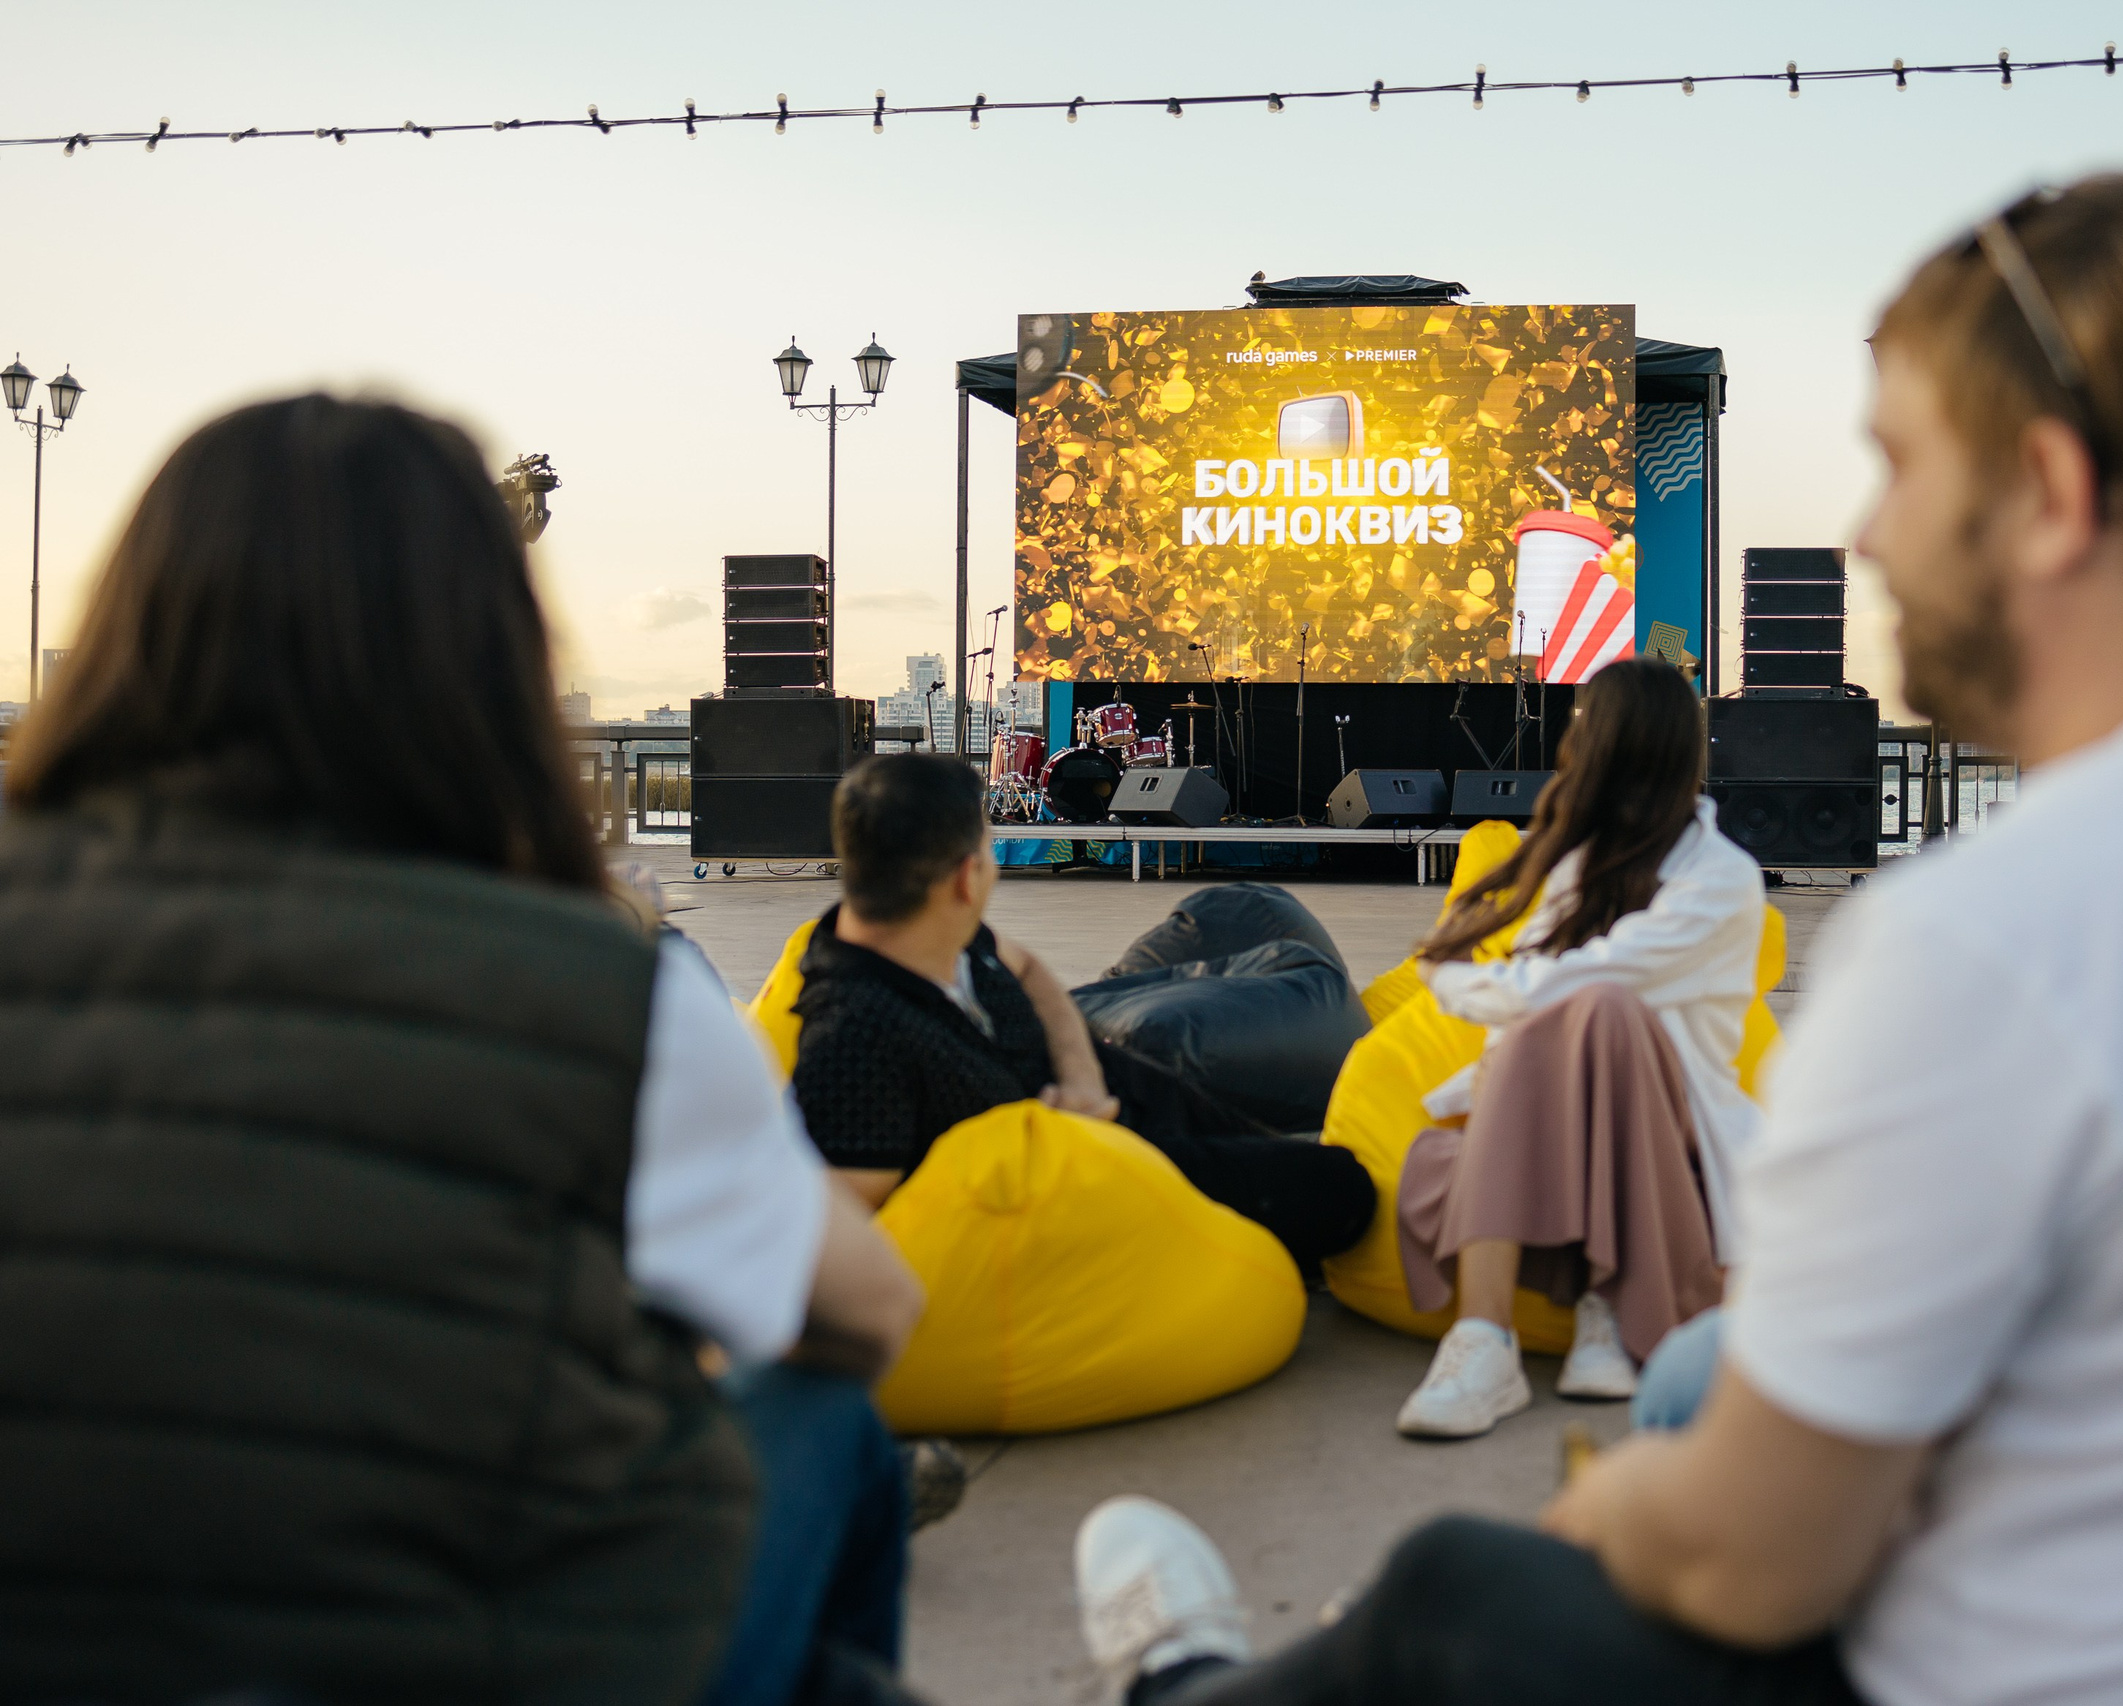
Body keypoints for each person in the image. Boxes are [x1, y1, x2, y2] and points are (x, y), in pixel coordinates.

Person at [1063, 170, 2123, 1706]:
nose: (1868, 534)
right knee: (1709, 1377)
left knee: (1464, 1584)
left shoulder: (1996, 946)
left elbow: (1747, 1561)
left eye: (1901, 463)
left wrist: (1615, 1513)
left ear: (2046, 491)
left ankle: (1181, 1682)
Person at [0, 394, 925, 1706]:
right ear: (495, 656)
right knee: (829, 1427)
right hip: (472, 1655)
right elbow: (871, 1310)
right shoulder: (604, 991)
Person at [790, 753, 1376, 1267]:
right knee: (1349, 1194)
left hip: (1115, 1089)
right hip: (1106, 1170)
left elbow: (1027, 970)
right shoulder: (854, 1034)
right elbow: (848, 1230)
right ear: (969, 878)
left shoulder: (924, 925)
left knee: (1309, 1150)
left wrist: (1081, 1078)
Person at [1390, 655, 1765, 1438]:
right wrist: (1477, 986)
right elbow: (1531, 983)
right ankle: (1484, 1340)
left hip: (1678, 1143)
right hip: (1562, 1125)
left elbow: (1562, 983)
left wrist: (1450, 980)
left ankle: (1609, 1301)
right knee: (1559, 1014)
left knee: (1597, 1005)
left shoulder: (1722, 879)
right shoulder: (1576, 867)